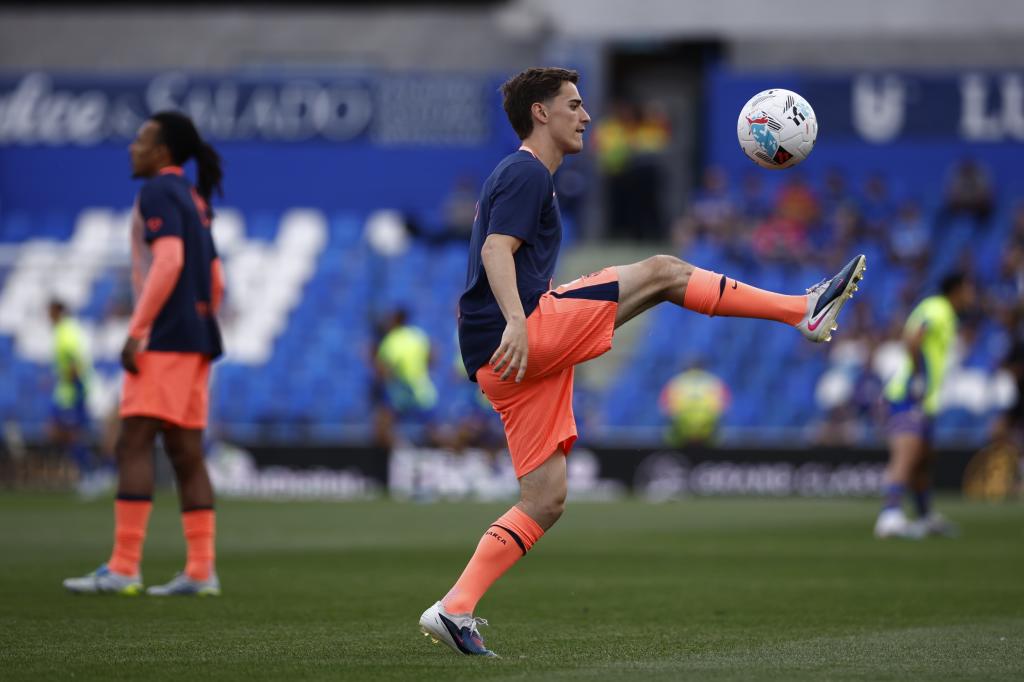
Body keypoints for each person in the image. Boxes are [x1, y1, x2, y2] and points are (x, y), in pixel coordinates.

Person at [418, 67, 867, 657]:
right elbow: (496, 250)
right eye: (574, 105)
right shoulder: (526, 170)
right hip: (520, 336)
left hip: (501, 356)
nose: (585, 116)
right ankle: (800, 309)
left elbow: (498, 257)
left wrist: (509, 338)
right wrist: (521, 324)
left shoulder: (530, 177)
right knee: (663, 272)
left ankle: (454, 608)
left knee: (545, 500)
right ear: (540, 114)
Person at [63, 111, 226, 596]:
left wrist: (138, 331)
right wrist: (199, 322)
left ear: (162, 152)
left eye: (140, 140)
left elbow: (169, 259)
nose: (132, 147)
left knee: (132, 441)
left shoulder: (156, 192)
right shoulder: (195, 199)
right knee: (186, 453)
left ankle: (124, 566)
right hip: (198, 338)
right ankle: (200, 570)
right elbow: (215, 279)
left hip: (165, 339)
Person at [874, 273, 975, 539]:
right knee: (907, 453)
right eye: (969, 289)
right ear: (957, 290)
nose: (972, 295)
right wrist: (917, 379)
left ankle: (924, 516)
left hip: (926, 399)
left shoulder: (947, 315)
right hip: (909, 393)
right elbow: (912, 338)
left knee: (924, 460)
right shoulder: (936, 308)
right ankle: (890, 515)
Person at [47, 299, 102, 493]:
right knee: (59, 433)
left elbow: (74, 364)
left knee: (70, 435)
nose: (48, 316)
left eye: (50, 311)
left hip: (71, 393)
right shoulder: (65, 330)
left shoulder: (66, 332)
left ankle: (91, 473)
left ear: (58, 311)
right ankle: (89, 471)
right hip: (65, 392)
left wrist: (76, 389)